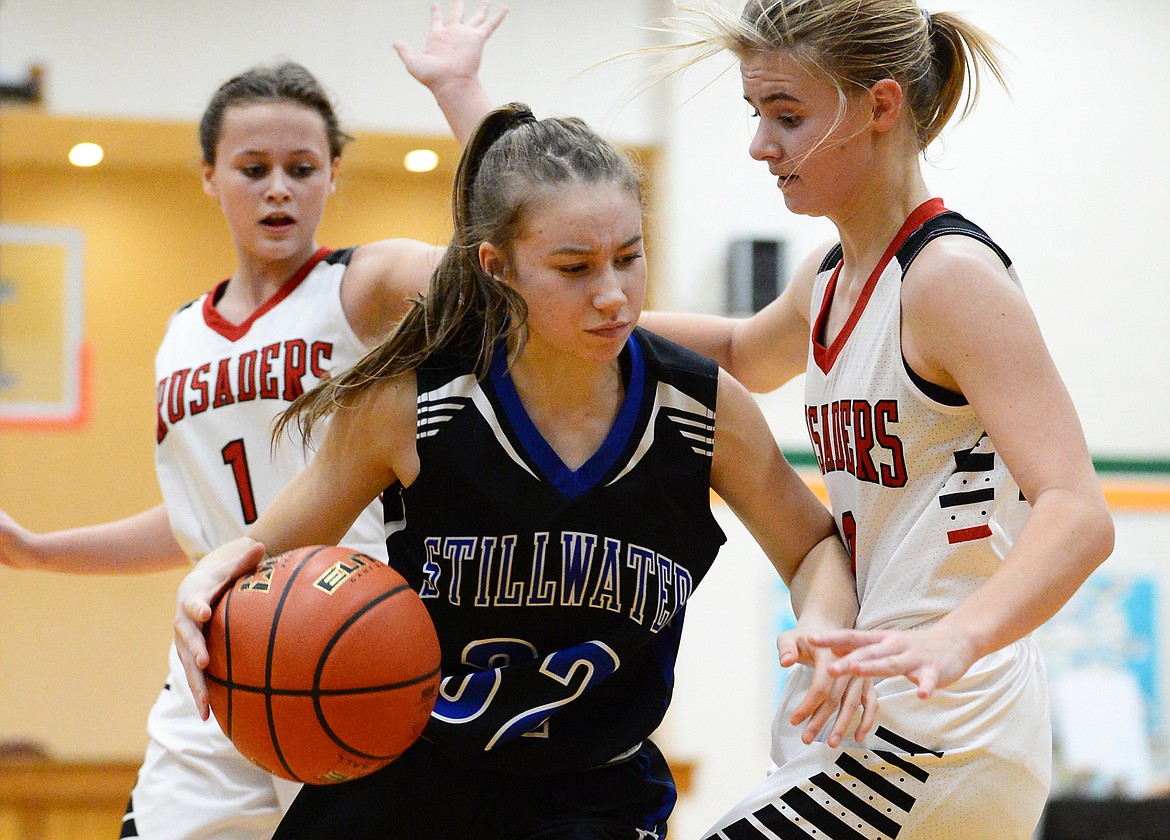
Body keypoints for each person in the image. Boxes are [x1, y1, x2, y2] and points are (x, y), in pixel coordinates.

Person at [172, 101, 876, 840]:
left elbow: (812, 546)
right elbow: (263, 548)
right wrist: (206, 577)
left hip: (590, 795)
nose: (613, 293)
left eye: (630, 258)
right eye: (574, 268)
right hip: (408, 774)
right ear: (496, 266)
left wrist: (825, 622)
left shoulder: (699, 408)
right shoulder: (416, 404)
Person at [0, 4, 506, 838]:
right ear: (208, 174)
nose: (279, 186)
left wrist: (464, 94)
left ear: (334, 174)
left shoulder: (367, 284)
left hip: (355, 643)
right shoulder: (177, 334)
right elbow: (206, 520)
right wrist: (38, 552)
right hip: (218, 663)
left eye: (303, 166)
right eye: (254, 166)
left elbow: (510, 255)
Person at [637, 2, 1115, 838]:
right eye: (757, 116)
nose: (761, 146)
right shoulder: (830, 273)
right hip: (882, 715)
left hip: (946, 728)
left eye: (787, 117)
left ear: (880, 107)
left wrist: (952, 642)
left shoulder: (949, 278)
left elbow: (1078, 514)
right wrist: (570, 315)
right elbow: (742, 351)